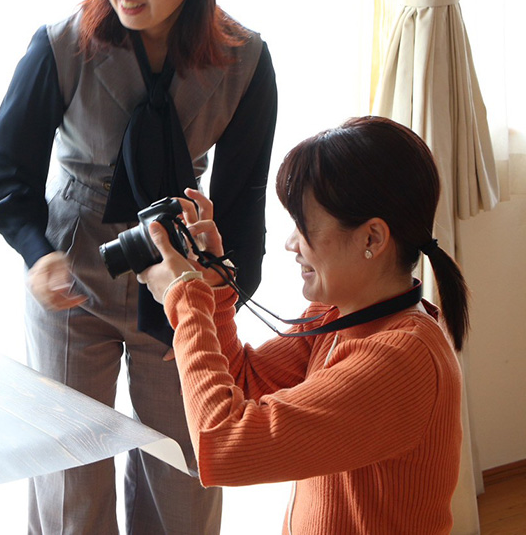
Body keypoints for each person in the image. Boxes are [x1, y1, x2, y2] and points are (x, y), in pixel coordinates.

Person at [0, 0, 277, 531]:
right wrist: (36, 253)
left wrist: (213, 310)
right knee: (69, 479)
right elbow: (1, 169)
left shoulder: (245, 61)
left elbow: (243, 207)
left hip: (180, 275)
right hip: (73, 274)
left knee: (186, 472)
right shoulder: (62, 46)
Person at [136, 116, 468, 534]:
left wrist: (185, 297)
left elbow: (223, 446)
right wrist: (215, 286)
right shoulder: (339, 313)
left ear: (372, 239)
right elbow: (245, 381)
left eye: (304, 226)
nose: (290, 243)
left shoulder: (401, 361)